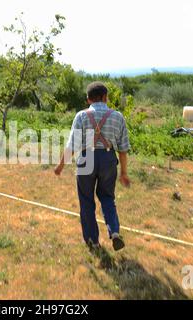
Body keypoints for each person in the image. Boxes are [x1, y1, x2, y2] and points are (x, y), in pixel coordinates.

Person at [54, 81, 131, 251]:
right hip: (108, 159)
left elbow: (72, 145)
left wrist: (60, 166)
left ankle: (92, 241)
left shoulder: (81, 116)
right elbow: (123, 149)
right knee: (107, 197)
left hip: (86, 159)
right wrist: (124, 173)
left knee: (86, 200)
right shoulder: (117, 116)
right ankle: (114, 231)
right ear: (105, 98)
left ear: (88, 99)